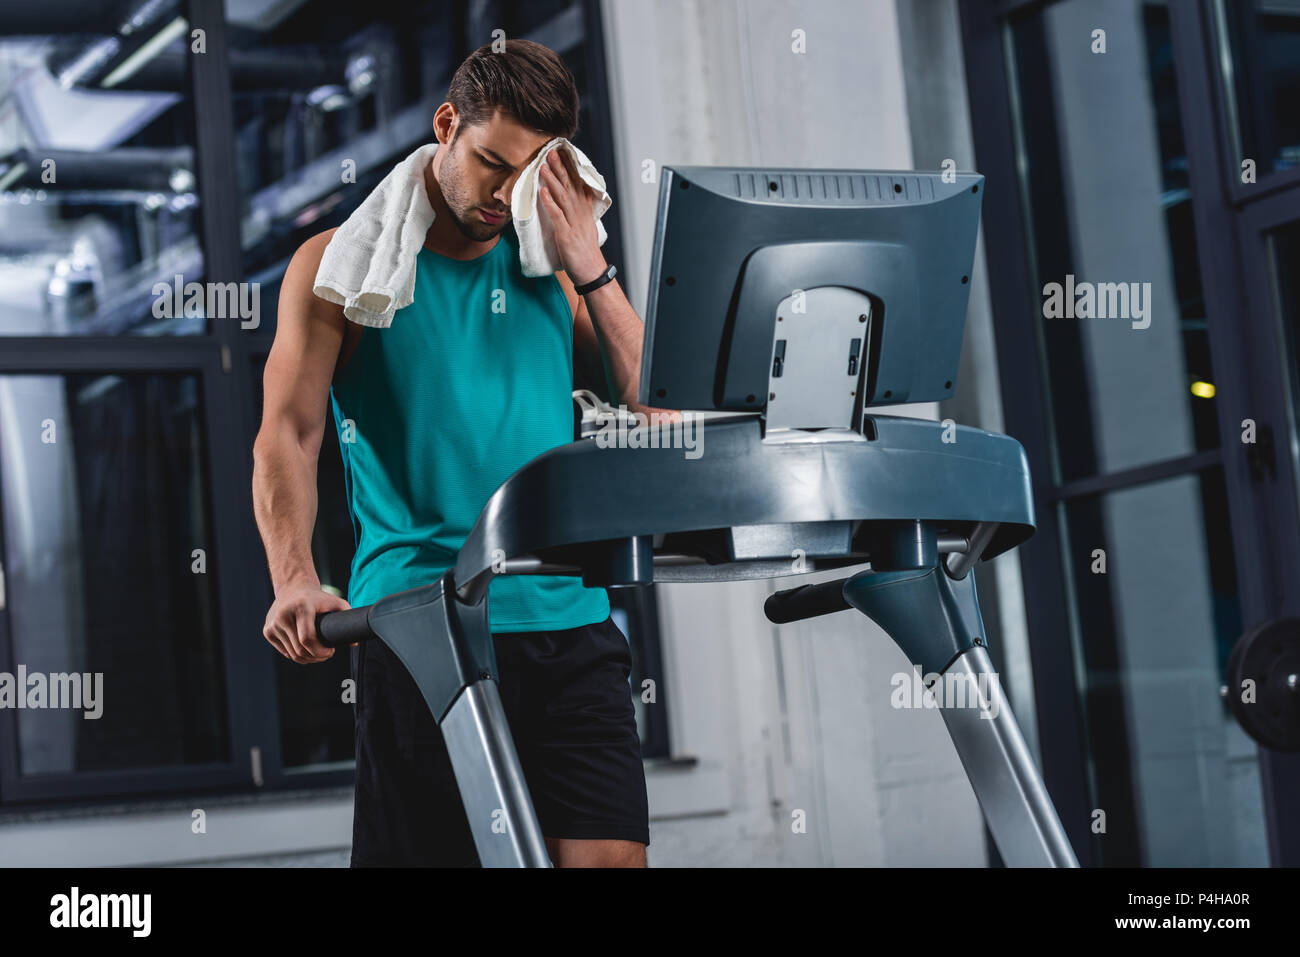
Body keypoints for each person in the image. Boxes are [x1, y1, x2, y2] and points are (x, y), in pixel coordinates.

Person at [252, 39, 672, 867]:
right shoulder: (337, 266)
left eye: (528, 172)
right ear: (446, 126)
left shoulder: (551, 267)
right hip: (422, 626)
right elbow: (289, 432)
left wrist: (591, 265)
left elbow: (653, 406)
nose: (505, 194)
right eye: (489, 162)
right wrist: (294, 575)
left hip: (567, 617)